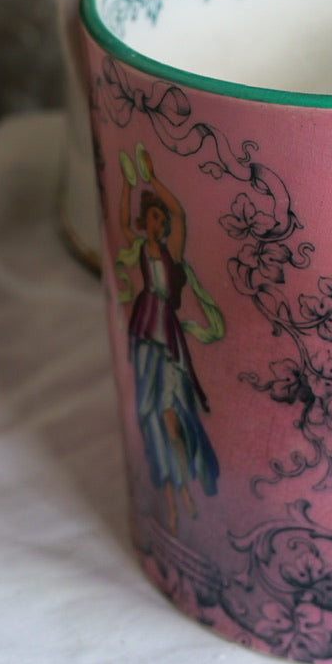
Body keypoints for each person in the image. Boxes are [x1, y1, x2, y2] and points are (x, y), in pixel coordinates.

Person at [118, 146, 220, 536]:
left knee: (175, 417)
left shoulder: (170, 250)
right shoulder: (142, 247)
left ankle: (183, 495)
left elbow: (179, 214)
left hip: (168, 333)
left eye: (161, 218)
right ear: (147, 222)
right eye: (154, 217)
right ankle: (176, 499)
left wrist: (152, 177)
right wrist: (130, 184)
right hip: (148, 329)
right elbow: (125, 223)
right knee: (156, 417)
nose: (160, 222)